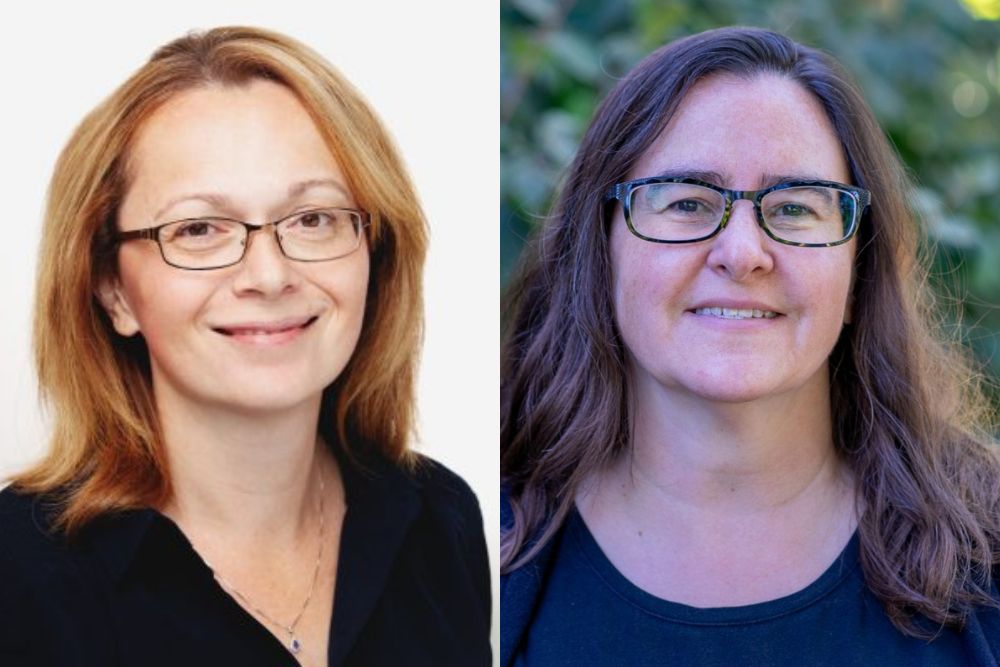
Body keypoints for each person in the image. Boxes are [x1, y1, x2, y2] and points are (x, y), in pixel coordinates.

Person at [500, 26, 1000, 666]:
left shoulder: (987, 558)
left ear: (858, 273)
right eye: (686, 202)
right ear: (602, 255)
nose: (742, 254)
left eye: (794, 208)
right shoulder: (468, 552)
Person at [0, 26, 490, 667]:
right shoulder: (18, 579)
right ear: (112, 288)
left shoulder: (440, 522)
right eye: (199, 228)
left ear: (377, 250)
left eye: (314, 219)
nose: (269, 275)